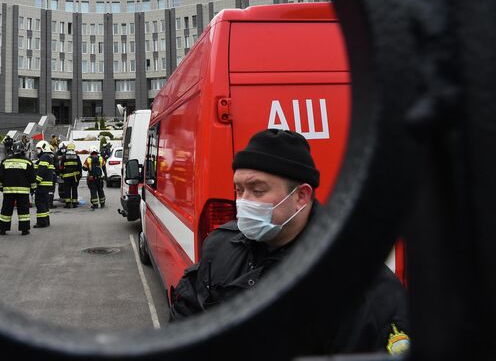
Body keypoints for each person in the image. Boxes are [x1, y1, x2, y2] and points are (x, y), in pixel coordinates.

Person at [169, 128, 410, 356]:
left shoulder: (360, 284)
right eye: (239, 190)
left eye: (257, 190)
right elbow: (188, 311)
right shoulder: (222, 244)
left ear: (301, 197)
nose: (243, 202)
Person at [0, 141, 36, 235]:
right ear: (23, 150)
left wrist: (1, 187)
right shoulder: (28, 162)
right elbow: (32, 178)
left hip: (8, 191)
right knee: (23, 210)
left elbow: (0, 176)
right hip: (23, 192)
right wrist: (33, 189)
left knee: (6, 209)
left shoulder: (5, 161)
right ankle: (24, 229)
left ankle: (3, 229)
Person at [33, 140, 55, 228]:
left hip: (42, 185)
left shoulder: (44, 157)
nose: (37, 151)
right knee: (45, 203)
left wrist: (36, 182)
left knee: (40, 203)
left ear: (43, 148)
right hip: (46, 185)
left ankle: (41, 223)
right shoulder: (48, 156)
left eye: (38, 149)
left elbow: (41, 171)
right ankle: (46, 221)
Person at [59, 143, 82, 208]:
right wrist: (80, 175)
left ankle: (68, 204)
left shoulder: (64, 156)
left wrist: (61, 174)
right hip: (75, 176)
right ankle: (74, 203)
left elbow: (61, 167)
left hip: (66, 176)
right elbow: (79, 166)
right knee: (74, 189)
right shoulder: (77, 156)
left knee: (67, 189)